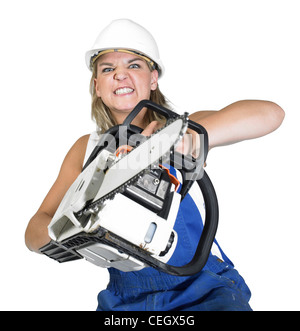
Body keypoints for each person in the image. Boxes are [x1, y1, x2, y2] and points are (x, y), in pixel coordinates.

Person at [25, 19, 285, 311]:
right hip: (125, 298)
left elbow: (270, 114)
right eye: (108, 69)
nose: (121, 75)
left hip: (201, 288)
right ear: (97, 86)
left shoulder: (180, 128)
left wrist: (182, 140)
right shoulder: (86, 149)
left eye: (134, 66)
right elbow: (34, 230)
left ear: (153, 79)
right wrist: (71, 225)